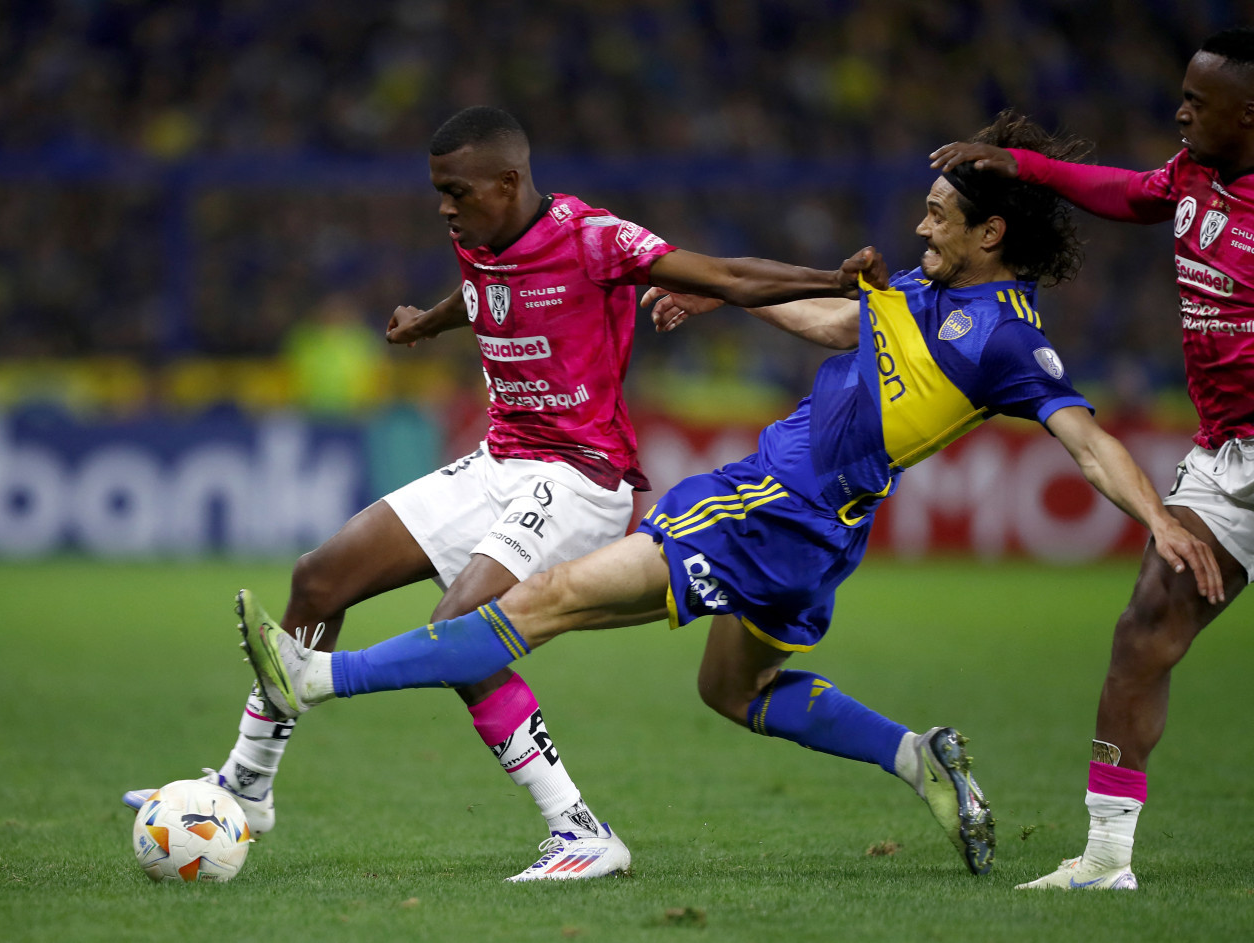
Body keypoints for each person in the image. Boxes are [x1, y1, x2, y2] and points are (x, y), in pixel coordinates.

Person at [236, 111, 1224, 879]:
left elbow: (1084, 439)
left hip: (764, 505)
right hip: (823, 538)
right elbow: (844, 324)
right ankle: (914, 757)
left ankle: (316, 679)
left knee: (534, 606)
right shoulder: (930, 298)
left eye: (937, 212)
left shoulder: (1005, 337)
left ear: (989, 230)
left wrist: (1158, 520)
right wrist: (724, 293)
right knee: (730, 690)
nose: (920, 220)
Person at [124, 105, 885, 881]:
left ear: (509, 181)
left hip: (580, 477)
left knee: (464, 626)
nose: (445, 207)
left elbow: (723, 276)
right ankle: (246, 785)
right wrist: (428, 323)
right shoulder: (474, 235)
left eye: (457, 190)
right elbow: (488, 293)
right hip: (499, 462)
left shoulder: (595, 240)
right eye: (438, 192)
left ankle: (580, 828)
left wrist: (831, 279)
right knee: (319, 577)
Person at [930, 27, 1253, 891]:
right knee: (1144, 629)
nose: (1180, 108)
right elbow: (1121, 193)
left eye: (1198, 99)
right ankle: (1107, 857)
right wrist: (1018, 167)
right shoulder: (1192, 178)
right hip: (1228, 459)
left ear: (1249, 115)